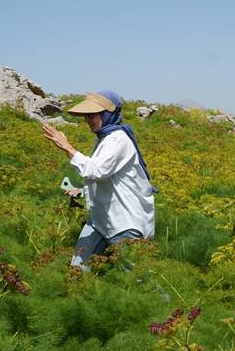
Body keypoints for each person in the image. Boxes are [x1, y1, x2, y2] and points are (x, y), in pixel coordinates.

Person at [42, 91, 155, 270]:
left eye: (92, 115)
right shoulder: (104, 139)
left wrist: (66, 146)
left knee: (138, 280)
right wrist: (81, 191)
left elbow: (95, 171)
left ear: (108, 113)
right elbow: (106, 177)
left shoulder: (118, 140)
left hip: (123, 222)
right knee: (77, 270)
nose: (87, 120)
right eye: (86, 116)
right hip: (100, 220)